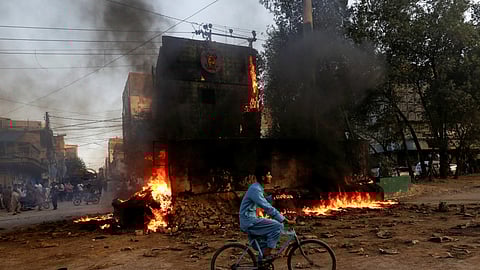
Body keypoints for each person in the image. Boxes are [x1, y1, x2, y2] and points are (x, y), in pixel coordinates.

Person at [239, 166, 295, 260]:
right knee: (277, 226)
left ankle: (262, 260)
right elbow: (266, 207)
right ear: (262, 177)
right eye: (268, 174)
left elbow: (264, 201)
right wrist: (284, 220)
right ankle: (267, 254)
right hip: (249, 221)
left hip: (251, 219)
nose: (271, 176)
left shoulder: (258, 188)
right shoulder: (255, 189)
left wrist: (274, 196)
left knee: (264, 244)